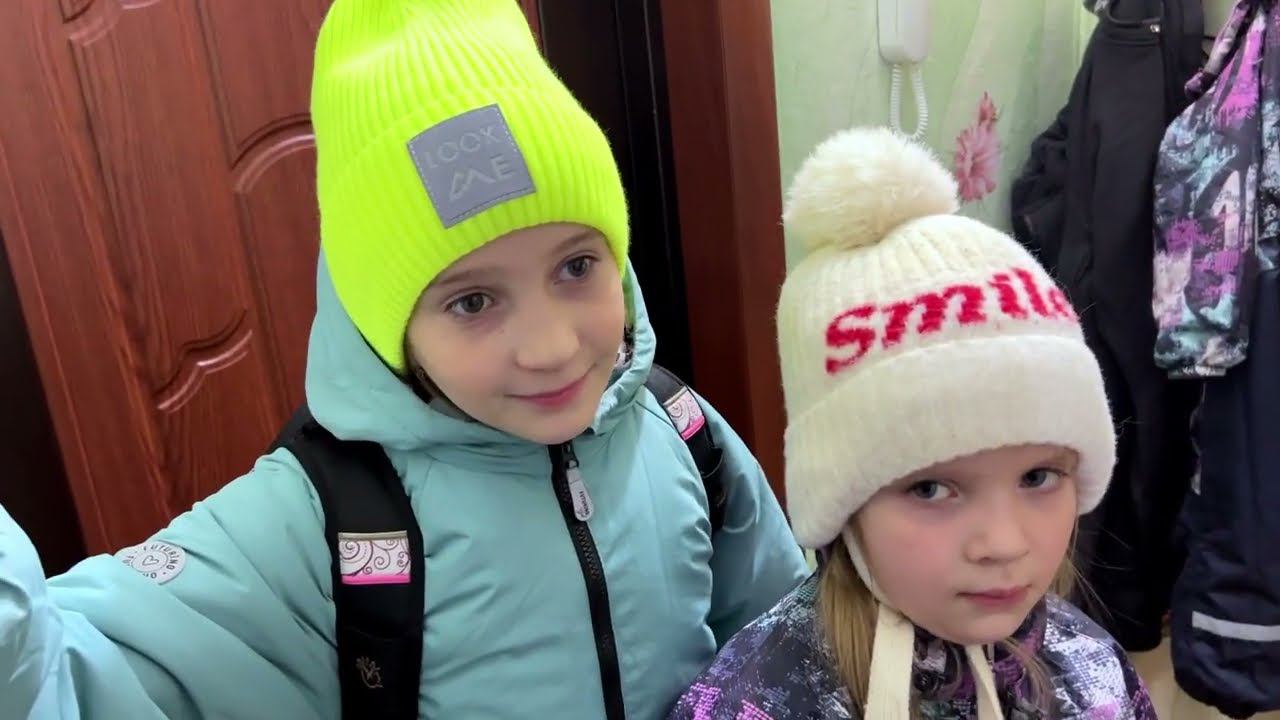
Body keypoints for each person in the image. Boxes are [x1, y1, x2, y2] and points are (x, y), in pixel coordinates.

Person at [0, 1, 807, 718]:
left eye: (576, 266)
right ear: (387, 327)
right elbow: (63, 678)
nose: (554, 346)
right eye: (473, 302)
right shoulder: (317, 520)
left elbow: (786, 645)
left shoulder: (682, 432)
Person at [668, 127, 1155, 719]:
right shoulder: (751, 703)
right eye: (930, 488)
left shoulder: (1095, 671)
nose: (1004, 544)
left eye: (1038, 477)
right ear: (842, 502)